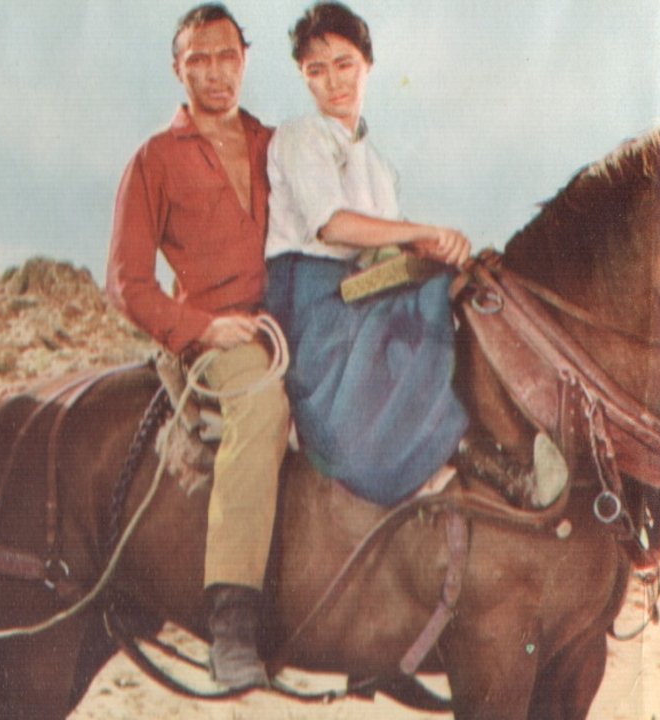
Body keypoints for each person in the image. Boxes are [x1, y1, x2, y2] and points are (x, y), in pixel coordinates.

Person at [264, 2, 566, 507]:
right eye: (316, 71)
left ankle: (512, 432)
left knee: (457, 293)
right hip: (310, 298)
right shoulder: (300, 137)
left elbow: (384, 246)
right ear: (303, 78)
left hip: (359, 285)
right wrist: (419, 232)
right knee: (417, 313)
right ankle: (475, 457)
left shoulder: (379, 167)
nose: (333, 82)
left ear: (367, 65)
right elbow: (333, 224)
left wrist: (441, 254)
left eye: (344, 64)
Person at [106, 3, 287, 691]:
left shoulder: (276, 144)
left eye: (225, 57)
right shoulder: (155, 159)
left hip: (291, 320)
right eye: (198, 61)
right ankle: (233, 620)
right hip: (216, 337)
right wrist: (202, 327)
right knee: (262, 407)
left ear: (245, 58)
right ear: (177, 71)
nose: (215, 73)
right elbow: (126, 283)